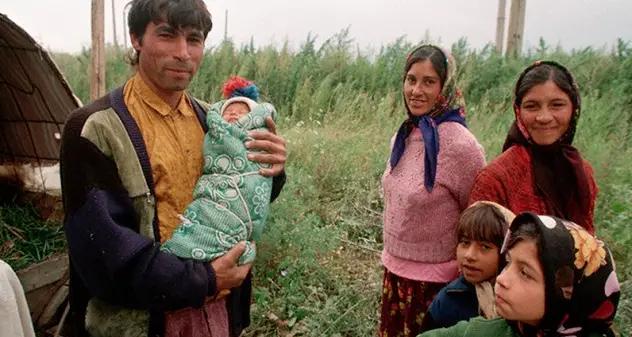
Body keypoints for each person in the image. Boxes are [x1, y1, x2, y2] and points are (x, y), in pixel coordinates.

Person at [59, 1, 287, 337]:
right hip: (142, 321)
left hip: (215, 314)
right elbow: (104, 257)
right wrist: (206, 279)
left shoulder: (216, 121)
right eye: (167, 35)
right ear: (136, 38)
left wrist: (270, 170)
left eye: (194, 40)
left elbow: (236, 205)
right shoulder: (95, 128)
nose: (183, 53)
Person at [379, 44, 486, 337]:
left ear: (445, 87)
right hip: (395, 274)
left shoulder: (462, 147)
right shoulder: (402, 136)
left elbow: (477, 217)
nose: (416, 90)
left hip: (437, 286)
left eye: (429, 82)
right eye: (411, 79)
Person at [419, 212, 621, 337]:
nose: (501, 279)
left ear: (568, 293)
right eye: (507, 263)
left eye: (524, 273)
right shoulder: (487, 331)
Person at [469, 61, 598, 233]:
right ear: (518, 111)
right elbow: (477, 251)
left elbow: (589, 243)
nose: (544, 117)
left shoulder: (582, 172)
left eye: (557, 105)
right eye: (532, 106)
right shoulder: (495, 179)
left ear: (574, 108)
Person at [161, 76, 278, 266]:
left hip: (235, 211)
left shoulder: (201, 114)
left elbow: (258, 186)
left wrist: (273, 166)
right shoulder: (213, 122)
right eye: (229, 112)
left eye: (241, 112)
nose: (233, 115)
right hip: (167, 271)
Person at [420, 201, 514, 332]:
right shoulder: (448, 301)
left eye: (485, 247)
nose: (469, 255)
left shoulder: (516, 302)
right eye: (465, 243)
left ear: (505, 254)